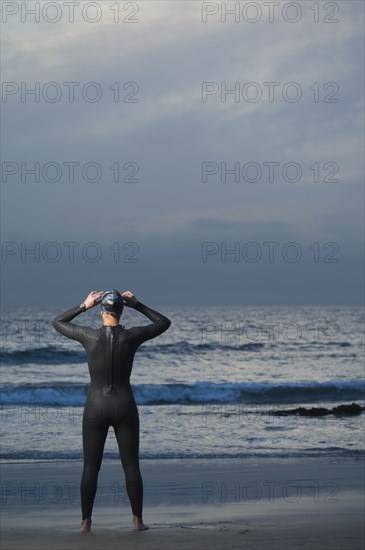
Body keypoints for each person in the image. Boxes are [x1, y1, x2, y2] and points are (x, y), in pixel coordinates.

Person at [52, 289, 171, 532]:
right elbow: (163, 323)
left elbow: (58, 322)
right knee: (131, 465)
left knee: (90, 467)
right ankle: (137, 521)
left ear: (102, 312)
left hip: (96, 407)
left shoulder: (89, 336)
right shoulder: (132, 336)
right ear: (121, 310)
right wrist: (138, 304)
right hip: (125, 406)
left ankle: (86, 523)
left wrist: (83, 305)